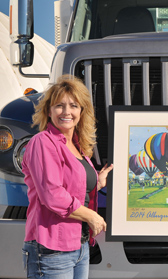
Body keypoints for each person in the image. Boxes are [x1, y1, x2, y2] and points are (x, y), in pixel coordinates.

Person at [21, 75, 113, 279]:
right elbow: (52, 194)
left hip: (79, 245)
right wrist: (92, 216)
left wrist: (96, 183)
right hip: (51, 248)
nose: (67, 111)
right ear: (48, 110)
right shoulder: (43, 142)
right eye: (59, 106)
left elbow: (70, 189)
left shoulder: (77, 146)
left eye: (73, 105)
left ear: (82, 111)